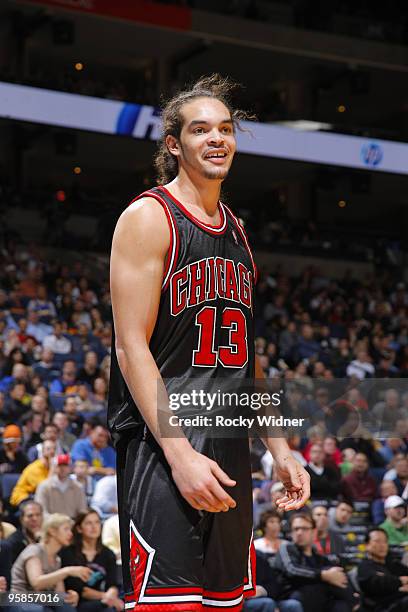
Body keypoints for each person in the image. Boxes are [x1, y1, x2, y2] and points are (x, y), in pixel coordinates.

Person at [108, 74, 310, 610]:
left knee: (227, 605)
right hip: (163, 447)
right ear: (174, 144)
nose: (217, 139)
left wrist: (281, 449)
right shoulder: (148, 218)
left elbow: (246, 354)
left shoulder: (237, 232)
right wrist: (180, 458)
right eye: (201, 130)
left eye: (226, 129)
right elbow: (131, 347)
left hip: (227, 445)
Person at [11, 513, 92, 611]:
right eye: (66, 529)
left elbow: (59, 594)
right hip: (20, 598)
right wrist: (67, 571)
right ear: (52, 531)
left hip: (41, 600)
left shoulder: (57, 559)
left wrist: (69, 597)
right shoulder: (34, 551)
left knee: (67, 609)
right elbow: (37, 583)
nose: (70, 534)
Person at [274, 513, 354, 612]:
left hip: (316, 595)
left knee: (340, 605)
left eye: (304, 529)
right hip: (292, 594)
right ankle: (353, 599)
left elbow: (337, 573)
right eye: (296, 529)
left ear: (314, 532)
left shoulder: (317, 555)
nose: (299, 533)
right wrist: (323, 575)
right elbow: (292, 569)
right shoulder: (286, 547)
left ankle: (353, 599)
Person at [60, 509, 123, 612]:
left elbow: (112, 583)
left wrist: (111, 594)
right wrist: (106, 597)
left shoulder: (108, 553)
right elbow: (80, 590)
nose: (94, 527)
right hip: (77, 602)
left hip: (102, 600)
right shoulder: (68, 553)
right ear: (79, 528)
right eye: (89, 523)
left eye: (97, 522)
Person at [357, 528, 408, 611]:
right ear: (367, 545)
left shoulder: (393, 563)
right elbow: (378, 584)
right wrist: (400, 582)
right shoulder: (364, 566)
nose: (382, 545)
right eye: (377, 541)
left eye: (385, 541)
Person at [34, 454, 88, 519]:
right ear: (55, 467)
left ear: (70, 468)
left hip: (72, 523)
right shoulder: (44, 486)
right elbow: (41, 510)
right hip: (51, 524)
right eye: (59, 465)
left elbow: (82, 510)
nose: (62, 468)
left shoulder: (78, 487)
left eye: (65, 465)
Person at [10, 439, 56, 506]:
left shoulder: (50, 467)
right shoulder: (35, 468)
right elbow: (44, 489)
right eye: (48, 449)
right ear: (42, 451)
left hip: (35, 496)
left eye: (54, 449)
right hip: (23, 498)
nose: (52, 451)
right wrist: (52, 468)